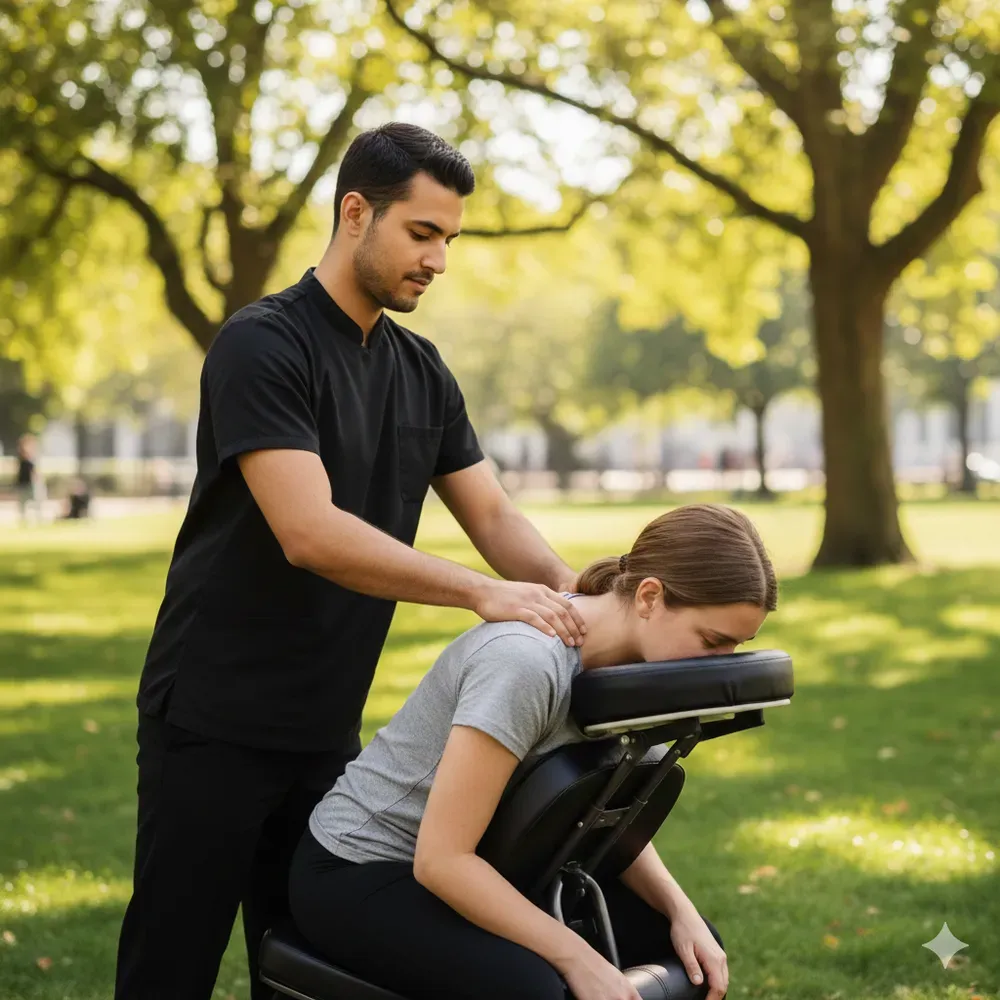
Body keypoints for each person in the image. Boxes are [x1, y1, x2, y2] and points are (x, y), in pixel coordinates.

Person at [115, 121, 589, 1000]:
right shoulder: (262, 344)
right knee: (171, 964)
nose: (439, 261)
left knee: (306, 971)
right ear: (355, 213)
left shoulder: (422, 368)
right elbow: (311, 531)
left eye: (450, 239)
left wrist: (581, 600)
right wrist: (486, 595)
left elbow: (491, 509)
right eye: (422, 233)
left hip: (328, 729)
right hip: (211, 719)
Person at [290, 503, 778, 1000]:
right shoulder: (526, 663)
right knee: (541, 989)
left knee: (692, 954)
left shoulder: (648, 672)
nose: (722, 667)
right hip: (363, 871)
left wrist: (682, 912)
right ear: (650, 596)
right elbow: (441, 861)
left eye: (736, 647)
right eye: (713, 642)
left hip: (499, 865)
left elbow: (605, 812)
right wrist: (577, 957)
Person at [15, 433, 43, 525]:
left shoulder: (32, 459)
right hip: (23, 484)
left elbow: (35, 473)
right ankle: (23, 520)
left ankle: (38, 519)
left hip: (30, 484)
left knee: (37, 501)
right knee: (22, 504)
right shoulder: (22, 459)